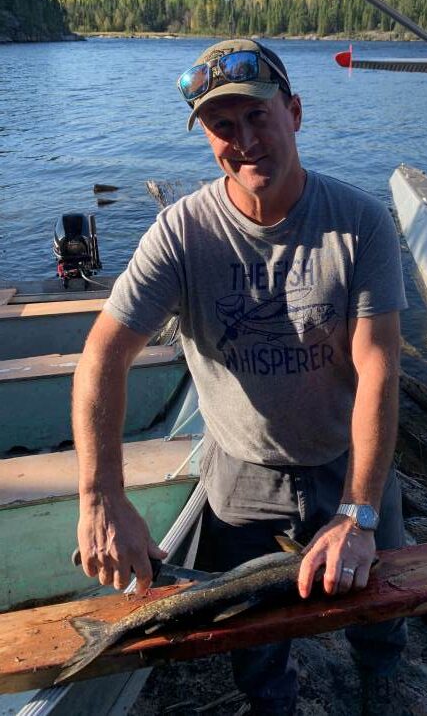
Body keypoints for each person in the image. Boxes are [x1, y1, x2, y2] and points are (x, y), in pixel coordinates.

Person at [72, 38, 408, 715]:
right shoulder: (181, 234)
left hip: (345, 459)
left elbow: (379, 367)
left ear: (295, 112)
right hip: (240, 474)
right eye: (223, 126)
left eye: (257, 116)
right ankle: (269, 702)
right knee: (251, 635)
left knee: (382, 605)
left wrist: (360, 511)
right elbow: (103, 354)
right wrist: (101, 494)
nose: (244, 139)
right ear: (205, 135)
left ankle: (384, 683)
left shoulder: (360, 224)